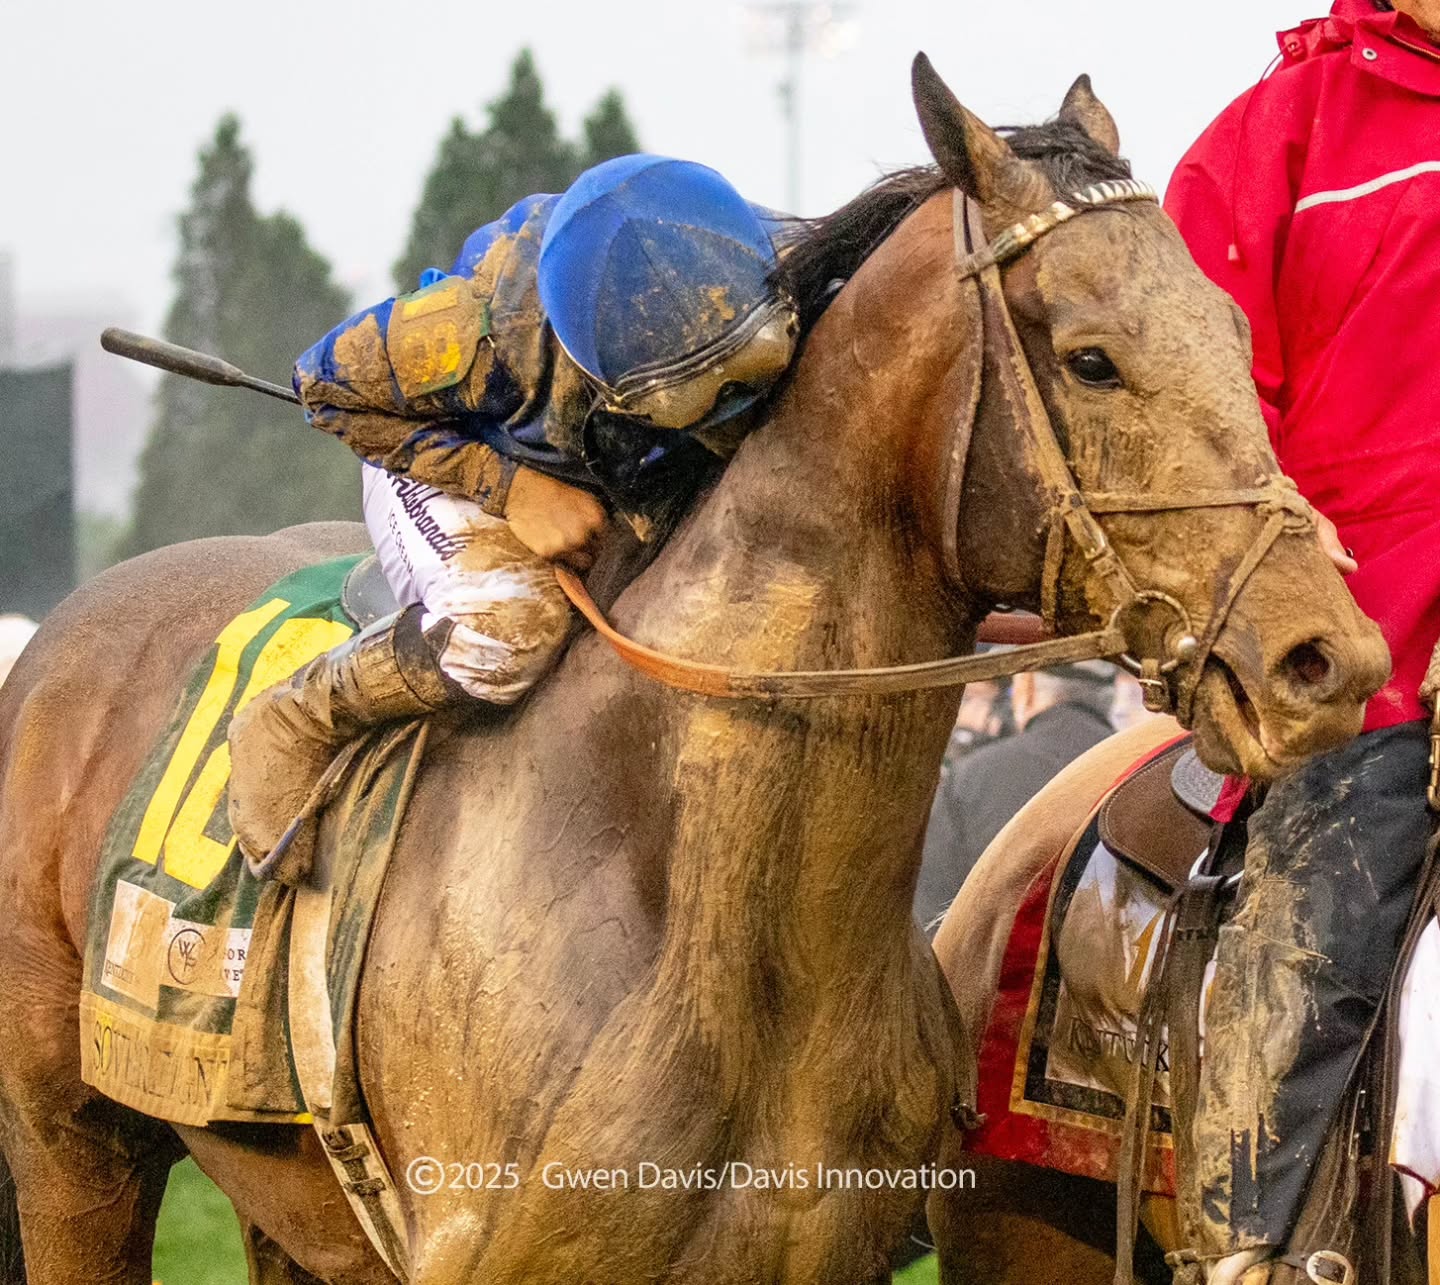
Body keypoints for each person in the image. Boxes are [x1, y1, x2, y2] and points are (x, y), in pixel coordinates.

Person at [226, 154, 799, 865]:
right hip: (448, 446)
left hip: (625, 473)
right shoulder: (479, 333)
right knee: (510, 626)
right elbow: (323, 385)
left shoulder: (780, 260)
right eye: (693, 394)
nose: (730, 412)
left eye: (747, 369)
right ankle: (297, 717)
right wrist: (513, 489)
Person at [1164, 1, 1440, 1278]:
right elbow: (1204, 416)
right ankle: (1249, 1252)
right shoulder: (1272, 140)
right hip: (1368, 663)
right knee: (1316, 942)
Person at [913, 662, 1115, 935]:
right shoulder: (1143, 771)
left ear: (1027, 688)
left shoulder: (975, 775)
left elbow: (932, 915)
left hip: (997, 972)